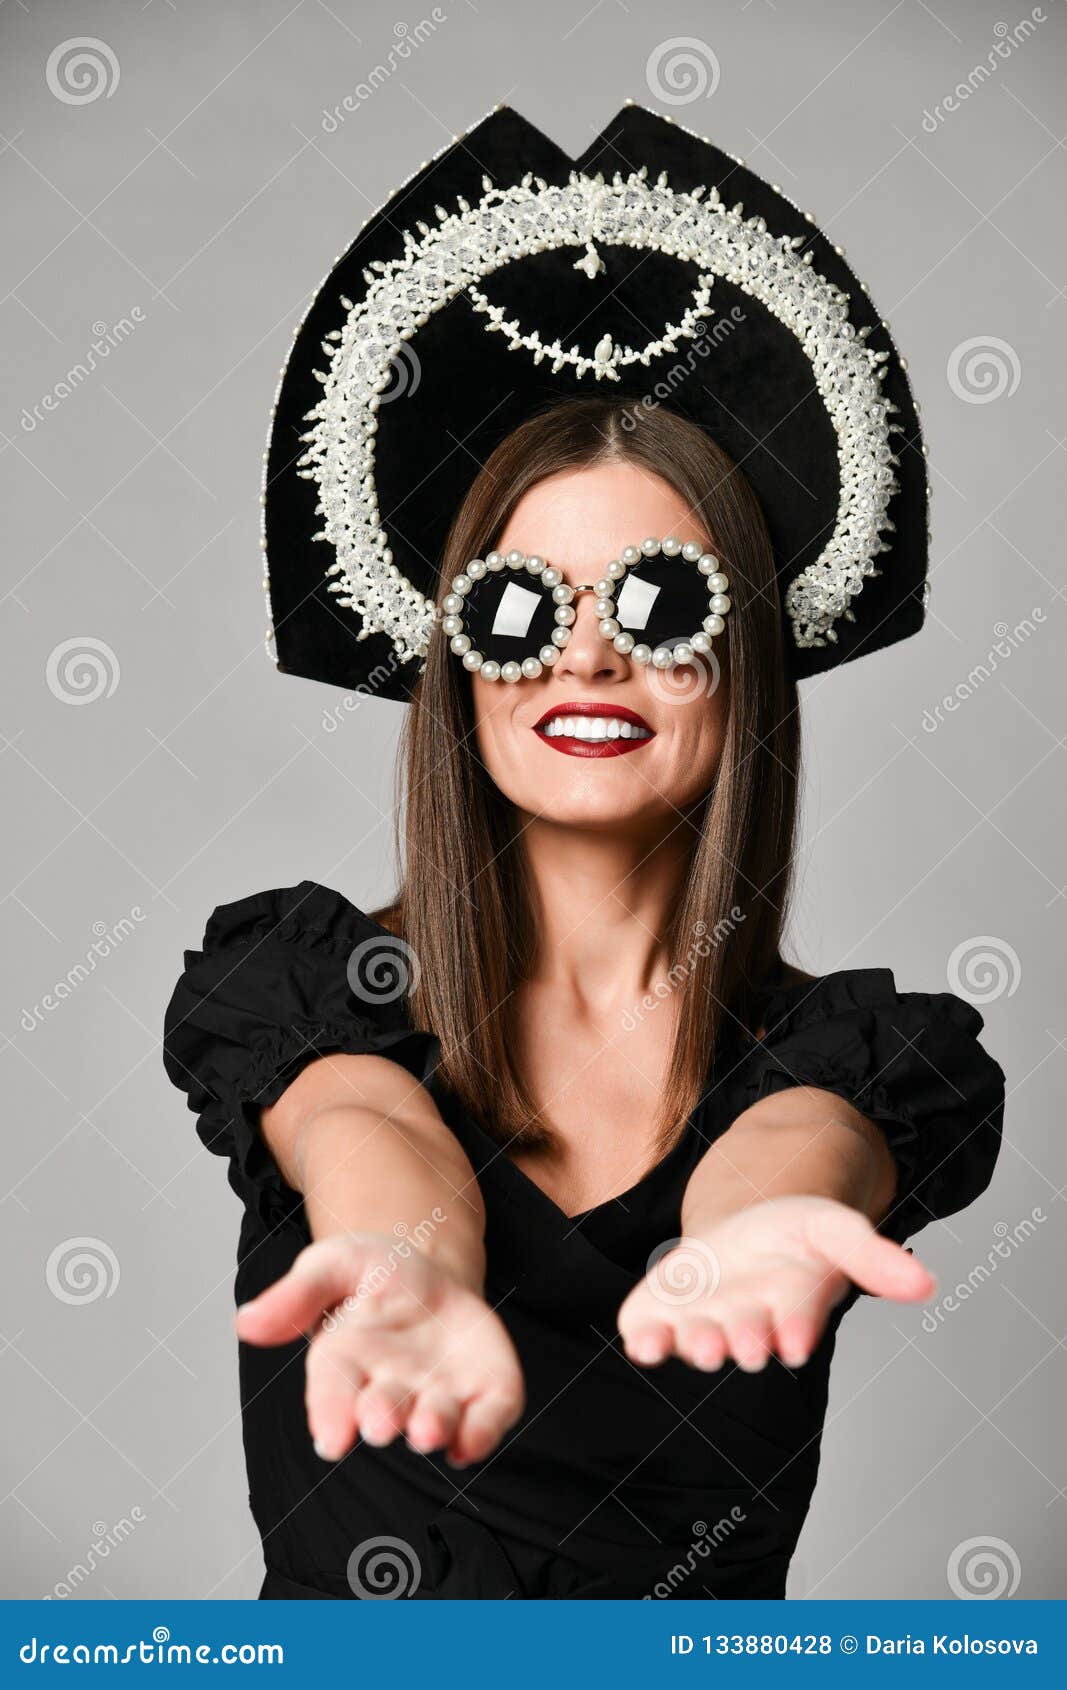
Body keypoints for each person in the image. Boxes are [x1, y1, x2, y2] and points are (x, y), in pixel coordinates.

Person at [163, 106, 1004, 1600]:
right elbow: (375, 1134)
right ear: (457, 669)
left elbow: (789, 1147)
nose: (590, 659)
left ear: (739, 660)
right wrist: (406, 1258)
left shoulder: (849, 1061)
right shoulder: (313, 1000)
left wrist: (773, 1223)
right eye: (521, 607)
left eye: (662, 603)